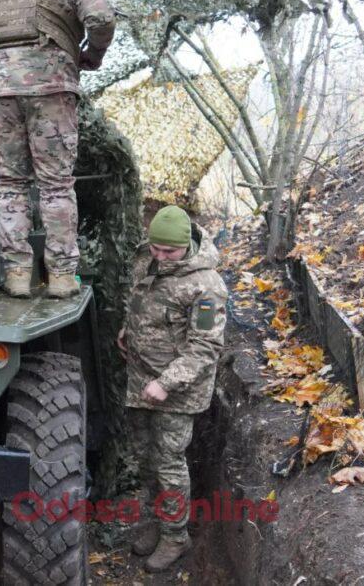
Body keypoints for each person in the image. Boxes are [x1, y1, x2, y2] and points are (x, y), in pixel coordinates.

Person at [0, 0, 116, 298]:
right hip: (51, 85)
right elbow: (101, 20)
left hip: (0, 92)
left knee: (10, 184)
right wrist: (92, 56)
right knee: (56, 185)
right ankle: (60, 276)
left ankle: (17, 274)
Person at [117, 206, 228, 572]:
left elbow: (205, 346)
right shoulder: (145, 259)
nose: (161, 258)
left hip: (178, 390)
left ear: (187, 247)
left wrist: (166, 384)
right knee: (145, 459)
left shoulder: (207, 286)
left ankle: (176, 536)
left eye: (170, 252)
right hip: (140, 378)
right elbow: (140, 301)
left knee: (168, 463)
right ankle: (158, 522)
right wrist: (127, 332)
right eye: (156, 249)